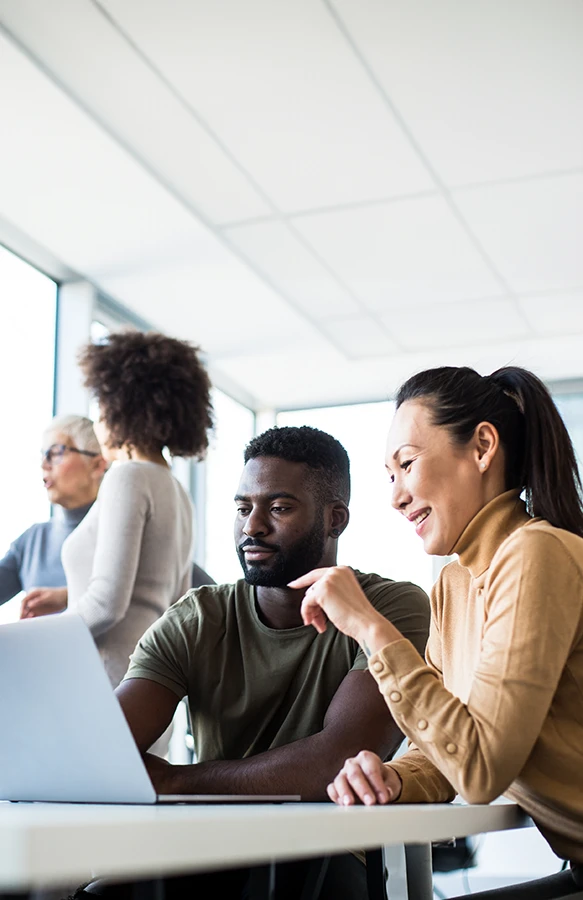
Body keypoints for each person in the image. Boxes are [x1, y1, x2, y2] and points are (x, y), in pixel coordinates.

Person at [92, 425, 430, 900]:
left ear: (335, 519)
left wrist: (174, 780)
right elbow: (108, 755)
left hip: (333, 852)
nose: (252, 526)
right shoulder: (198, 616)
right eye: (243, 508)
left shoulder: (391, 607)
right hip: (216, 848)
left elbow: (339, 759)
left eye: (279, 507)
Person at [296, 366, 583, 895]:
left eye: (407, 463)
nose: (396, 496)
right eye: (390, 475)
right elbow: (443, 750)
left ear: (482, 447)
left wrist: (367, 624)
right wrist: (395, 776)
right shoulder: (453, 585)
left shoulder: (534, 552)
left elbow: (478, 769)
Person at [23, 330, 213, 690]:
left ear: (121, 407)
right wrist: (67, 596)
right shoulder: (176, 490)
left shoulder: (127, 477)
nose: (97, 422)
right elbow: (164, 599)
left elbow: (107, 604)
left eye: (101, 408)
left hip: (102, 683)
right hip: (149, 685)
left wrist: (32, 641)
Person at [0, 415, 105, 613]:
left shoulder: (119, 531)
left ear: (97, 465)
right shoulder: (32, 541)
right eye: (43, 455)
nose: (44, 464)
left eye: (56, 453)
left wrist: (67, 597)